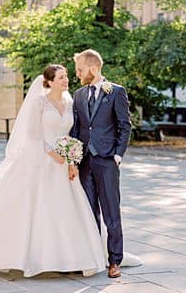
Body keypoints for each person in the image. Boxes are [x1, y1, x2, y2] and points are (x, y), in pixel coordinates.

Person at [0, 64, 107, 277]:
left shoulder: (70, 102)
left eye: (66, 76)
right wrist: (54, 155)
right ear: (49, 81)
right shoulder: (39, 102)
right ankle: (30, 257)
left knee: (67, 210)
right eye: (61, 77)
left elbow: (70, 135)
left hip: (63, 164)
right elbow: (32, 135)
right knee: (36, 209)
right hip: (40, 160)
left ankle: (72, 258)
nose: (65, 80)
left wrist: (70, 160)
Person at [71, 49, 131, 278]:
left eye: (79, 70)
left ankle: (115, 260)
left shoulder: (115, 92)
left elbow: (125, 125)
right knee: (88, 212)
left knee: (111, 213)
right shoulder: (78, 95)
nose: (77, 74)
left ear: (92, 69)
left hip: (106, 160)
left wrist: (117, 154)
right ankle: (93, 256)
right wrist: (74, 160)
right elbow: (77, 128)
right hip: (84, 161)